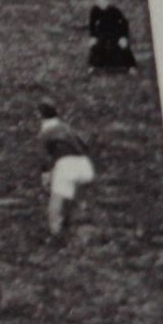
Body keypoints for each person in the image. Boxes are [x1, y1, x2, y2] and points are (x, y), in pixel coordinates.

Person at [38, 102, 96, 240]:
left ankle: (55, 233)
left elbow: (44, 157)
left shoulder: (45, 132)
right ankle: (76, 227)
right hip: (85, 165)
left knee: (56, 202)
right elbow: (85, 146)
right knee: (73, 198)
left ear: (40, 116)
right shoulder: (68, 129)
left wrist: (46, 177)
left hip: (66, 165)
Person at [88, 0, 138, 73]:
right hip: (102, 34)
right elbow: (92, 25)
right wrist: (93, 36)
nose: (102, 4)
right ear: (97, 3)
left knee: (123, 45)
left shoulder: (115, 11)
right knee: (95, 45)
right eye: (99, 2)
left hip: (115, 33)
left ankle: (131, 67)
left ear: (107, 2)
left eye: (103, 1)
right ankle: (93, 66)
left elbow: (124, 24)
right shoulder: (95, 11)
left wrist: (123, 37)